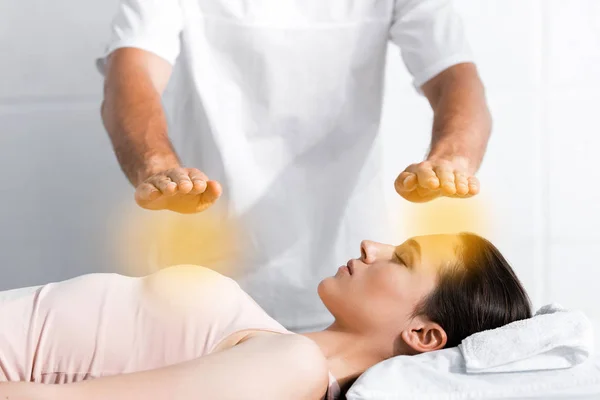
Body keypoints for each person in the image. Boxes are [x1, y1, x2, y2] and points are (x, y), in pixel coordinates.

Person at [98, 0, 493, 332]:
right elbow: (131, 72)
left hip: (349, 278)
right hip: (199, 280)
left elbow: (455, 77)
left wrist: (450, 159)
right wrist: (157, 166)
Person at [0, 233, 530, 400]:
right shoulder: (281, 351)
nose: (373, 244)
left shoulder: (293, 367)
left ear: (423, 334)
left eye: (404, 257)